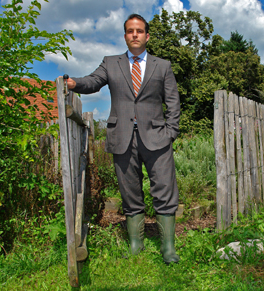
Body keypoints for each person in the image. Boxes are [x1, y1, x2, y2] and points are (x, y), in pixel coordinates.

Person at [63, 14, 181, 264]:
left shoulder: (163, 66)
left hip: (158, 137)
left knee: (165, 190)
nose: (135, 34)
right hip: (122, 137)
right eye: (130, 31)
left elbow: (173, 102)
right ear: (125, 36)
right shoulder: (111, 63)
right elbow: (93, 82)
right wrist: (74, 83)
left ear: (147, 36)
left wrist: (171, 132)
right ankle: (136, 244)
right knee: (129, 191)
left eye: (139, 31)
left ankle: (168, 248)